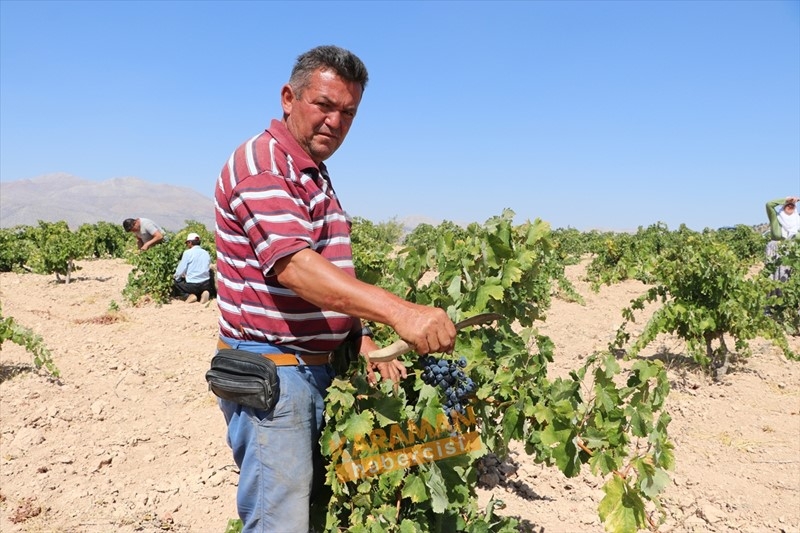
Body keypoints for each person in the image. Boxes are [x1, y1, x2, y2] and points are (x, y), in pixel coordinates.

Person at [213, 45, 456, 532]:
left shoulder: (310, 171)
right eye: (324, 105)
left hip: (313, 371)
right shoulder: (264, 165)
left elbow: (327, 270)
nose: (335, 121)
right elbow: (296, 268)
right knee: (280, 521)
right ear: (289, 97)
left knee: (319, 508)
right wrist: (401, 313)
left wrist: (359, 336)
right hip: (277, 379)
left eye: (348, 112)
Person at [173, 232, 215, 304]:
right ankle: (204, 292)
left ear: (190, 242)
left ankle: (189, 296)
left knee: (176, 282)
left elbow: (180, 270)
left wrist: (176, 278)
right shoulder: (206, 252)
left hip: (192, 285)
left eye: (187, 243)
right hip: (205, 284)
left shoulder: (187, 253)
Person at [765, 196, 800, 282]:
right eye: (788, 204)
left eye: (792, 205)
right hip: (775, 250)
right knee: (773, 276)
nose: (790, 206)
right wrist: (786, 200)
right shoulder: (775, 217)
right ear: (783, 205)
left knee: (788, 276)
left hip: (791, 252)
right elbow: (769, 205)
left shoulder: (797, 222)